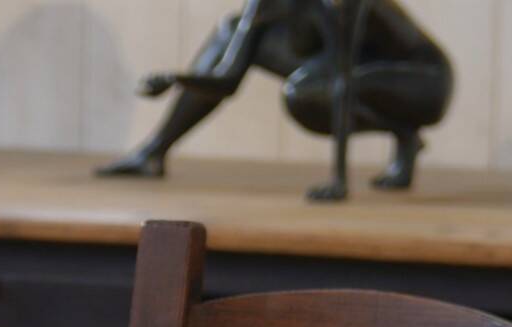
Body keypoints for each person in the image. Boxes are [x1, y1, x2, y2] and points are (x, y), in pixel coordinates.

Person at [99, 0, 453, 197]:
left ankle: (403, 134)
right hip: (356, 68)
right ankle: (153, 153)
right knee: (229, 31)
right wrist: (175, 79)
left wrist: (339, 182)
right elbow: (225, 79)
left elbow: (343, 80)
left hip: (422, 82)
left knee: (303, 96)